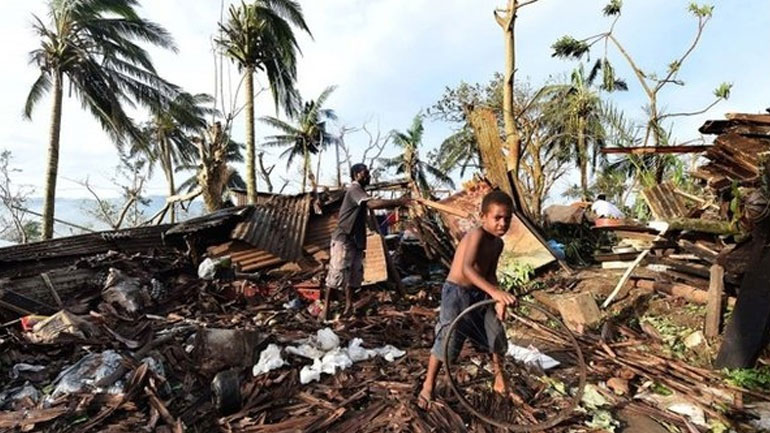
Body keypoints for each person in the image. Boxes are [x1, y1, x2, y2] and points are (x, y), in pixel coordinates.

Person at [418, 190, 517, 410]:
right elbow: (467, 268)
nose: (503, 223)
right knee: (447, 339)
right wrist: (495, 293)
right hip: (457, 293)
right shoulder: (476, 235)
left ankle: (499, 376)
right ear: (483, 217)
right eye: (497, 218)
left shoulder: (497, 244)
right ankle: (428, 384)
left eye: (507, 218)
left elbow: (490, 274)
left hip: (481, 293)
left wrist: (497, 298)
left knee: (495, 332)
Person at [325, 163, 410, 317]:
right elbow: (372, 204)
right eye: (365, 173)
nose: (368, 176)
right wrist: (398, 201)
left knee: (353, 277)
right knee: (336, 275)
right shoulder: (354, 189)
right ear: (356, 175)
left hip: (356, 240)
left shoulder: (361, 191)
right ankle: (325, 311)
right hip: (344, 238)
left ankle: (349, 307)